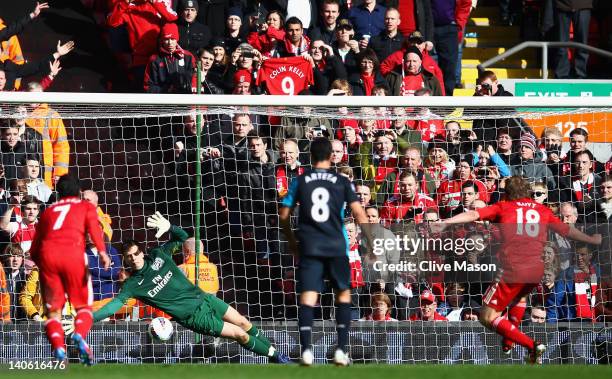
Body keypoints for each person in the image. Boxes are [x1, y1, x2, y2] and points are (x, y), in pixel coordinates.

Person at [436, 175, 602, 363]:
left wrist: (446, 222)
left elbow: (474, 214)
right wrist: (591, 239)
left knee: (486, 317)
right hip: (536, 270)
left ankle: (532, 346)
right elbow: (566, 230)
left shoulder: (504, 206)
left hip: (513, 269)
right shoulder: (542, 210)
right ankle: (509, 341)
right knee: (520, 297)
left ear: (508, 194)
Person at [93, 212, 290, 363]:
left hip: (205, 298)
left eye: (136, 253)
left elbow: (182, 237)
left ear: (142, 252)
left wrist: (170, 226)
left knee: (244, 323)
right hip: (194, 317)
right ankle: (277, 357)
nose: (133, 258)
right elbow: (113, 306)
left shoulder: (159, 255)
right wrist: (89, 318)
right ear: (125, 259)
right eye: (129, 256)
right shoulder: (133, 285)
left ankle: (273, 353)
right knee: (240, 334)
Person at [279, 137, 369, 366]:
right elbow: (359, 214)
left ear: (310, 157)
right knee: (343, 295)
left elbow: (283, 215)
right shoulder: (342, 181)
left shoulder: (300, 180)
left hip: (310, 245)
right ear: (331, 156)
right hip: (336, 245)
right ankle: (340, 350)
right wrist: (372, 240)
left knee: (309, 296)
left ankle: (307, 350)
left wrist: (292, 242)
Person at [28, 174, 110, 364]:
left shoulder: (48, 212)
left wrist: (41, 265)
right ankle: (79, 335)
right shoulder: (85, 206)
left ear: (59, 192)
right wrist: (103, 252)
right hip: (72, 254)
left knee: (53, 313)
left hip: (49, 257)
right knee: (83, 307)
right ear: (79, 193)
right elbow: (94, 229)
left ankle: (58, 346)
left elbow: (34, 248)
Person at [144, 23, 196, 93]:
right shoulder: (155, 59)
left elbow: (195, 78)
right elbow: (148, 86)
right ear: (162, 40)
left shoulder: (188, 56)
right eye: (166, 39)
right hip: (164, 100)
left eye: (172, 39)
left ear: (177, 39)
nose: (170, 43)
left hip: (185, 99)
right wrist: (166, 90)